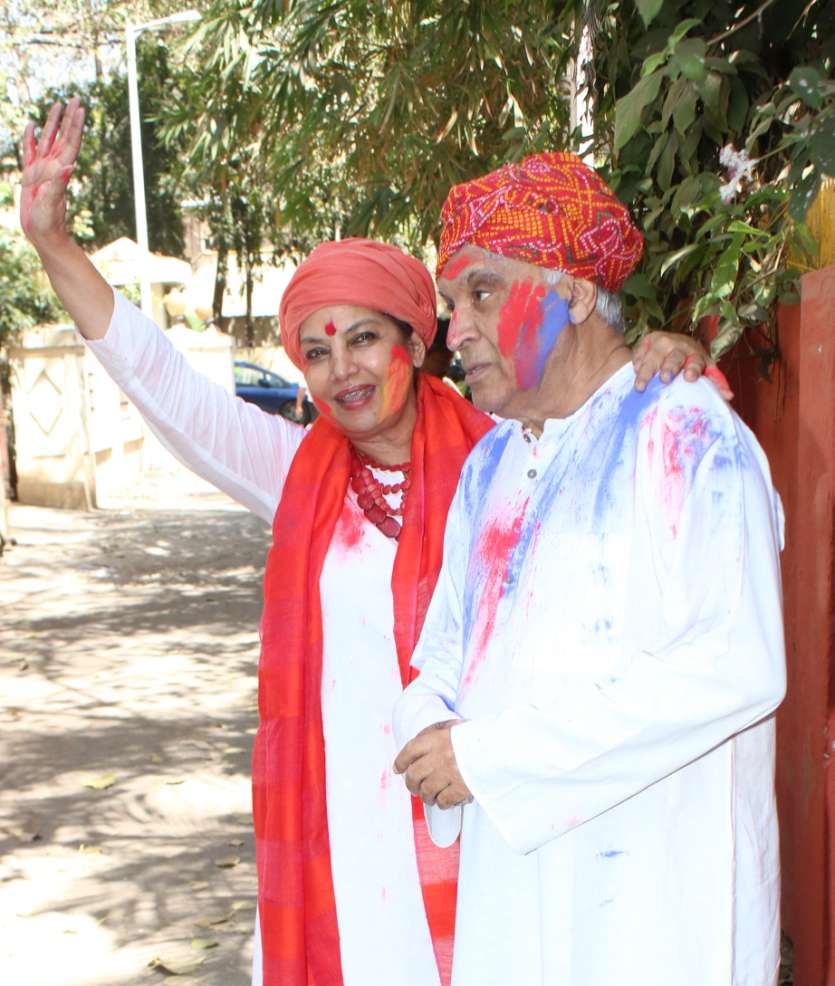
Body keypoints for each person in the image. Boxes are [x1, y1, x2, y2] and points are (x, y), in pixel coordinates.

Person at [21, 101, 716, 986]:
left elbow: (600, 406)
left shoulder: (505, 451)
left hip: (500, 815)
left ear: (414, 341)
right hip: (345, 824)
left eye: (362, 339)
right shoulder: (297, 475)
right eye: (315, 352)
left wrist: (656, 356)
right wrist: (55, 246)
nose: (340, 368)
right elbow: (169, 391)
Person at [393, 151, 786, 986]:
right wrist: (428, 730)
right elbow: (442, 652)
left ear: (571, 291)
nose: (452, 329)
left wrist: (494, 758)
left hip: (655, 901)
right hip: (515, 884)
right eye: (449, 303)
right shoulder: (489, 464)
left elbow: (737, 666)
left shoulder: (686, 433)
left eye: (481, 292)